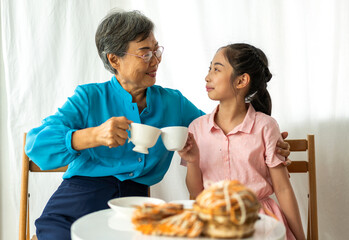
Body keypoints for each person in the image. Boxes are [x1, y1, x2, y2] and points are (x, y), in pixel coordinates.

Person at [25, 10, 291, 240]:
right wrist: (93, 135)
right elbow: (35, 145)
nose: (156, 60)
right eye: (145, 53)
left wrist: (264, 137)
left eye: (156, 50)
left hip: (135, 205)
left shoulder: (172, 103)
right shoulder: (89, 97)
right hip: (79, 196)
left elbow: (219, 129)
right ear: (114, 60)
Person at [179, 43, 305, 240]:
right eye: (209, 68)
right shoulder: (196, 128)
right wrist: (193, 161)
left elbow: (282, 188)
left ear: (241, 81)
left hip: (260, 222)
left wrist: (300, 237)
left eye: (216, 69)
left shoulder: (266, 126)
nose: (207, 76)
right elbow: (196, 193)